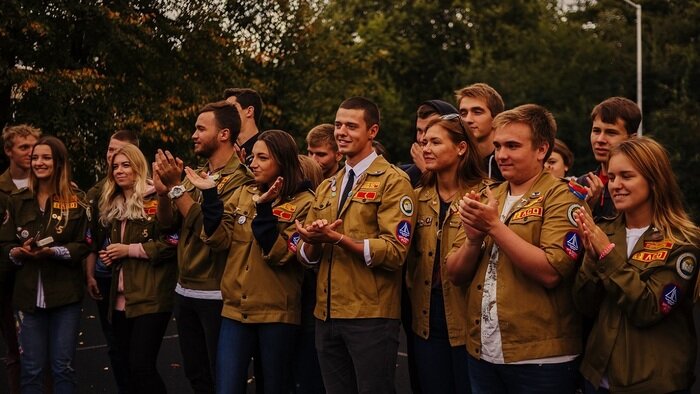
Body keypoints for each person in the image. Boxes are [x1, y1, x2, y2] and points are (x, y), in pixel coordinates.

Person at [446, 104, 585, 393]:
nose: (501, 155)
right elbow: (455, 274)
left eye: (512, 145)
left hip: (541, 357)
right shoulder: (488, 195)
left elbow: (551, 272)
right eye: (497, 146)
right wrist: (473, 240)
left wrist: (494, 227)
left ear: (541, 149)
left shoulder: (562, 197)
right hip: (484, 352)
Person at [296, 97, 416, 394]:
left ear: (372, 131)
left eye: (351, 125)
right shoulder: (328, 185)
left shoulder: (394, 181)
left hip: (370, 317)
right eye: (338, 124)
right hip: (326, 314)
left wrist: (340, 240)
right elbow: (305, 254)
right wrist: (310, 242)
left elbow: (395, 251)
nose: (342, 132)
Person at [188, 129, 314, 394]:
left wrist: (265, 209)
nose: (253, 163)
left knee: (274, 387)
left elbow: (281, 255)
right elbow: (219, 239)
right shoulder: (244, 193)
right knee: (227, 387)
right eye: (253, 157)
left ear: (282, 161)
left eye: (263, 158)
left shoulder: (305, 203)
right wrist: (211, 197)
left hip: (276, 313)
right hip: (236, 310)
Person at [572, 137, 699, 393]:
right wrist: (590, 259)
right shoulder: (604, 230)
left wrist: (607, 255)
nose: (616, 185)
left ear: (654, 181)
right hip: (597, 379)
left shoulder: (682, 241)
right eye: (613, 177)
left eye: (627, 176)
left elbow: (648, 308)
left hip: (653, 383)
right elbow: (584, 305)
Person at [155, 100, 253, 394]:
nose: (193, 135)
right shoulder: (192, 174)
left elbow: (213, 233)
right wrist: (163, 194)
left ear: (224, 134)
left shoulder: (243, 181)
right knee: (196, 376)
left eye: (200, 129)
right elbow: (167, 225)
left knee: (222, 379)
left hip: (217, 292)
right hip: (185, 290)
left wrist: (177, 189)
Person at [0, 135, 90, 393]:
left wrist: (55, 251)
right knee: (31, 369)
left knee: (63, 367)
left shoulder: (76, 199)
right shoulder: (17, 200)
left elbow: (84, 243)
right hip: (27, 298)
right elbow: (4, 245)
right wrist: (18, 252)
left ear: (59, 162)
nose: (38, 162)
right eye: (35, 157)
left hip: (65, 297)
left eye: (45, 157)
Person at [406, 114, 486, 393]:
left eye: (435, 142)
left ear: (461, 147)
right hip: (425, 321)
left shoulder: (486, 196)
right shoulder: (416, 197)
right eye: (424, 141)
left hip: (470, 322)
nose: (426, 148)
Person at [98, 143, 178, 394]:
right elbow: (118, 246)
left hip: (150, 298)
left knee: (142, 367)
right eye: (115, 166)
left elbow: (171, 244)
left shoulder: (155, 198)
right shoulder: (112, 202)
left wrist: (128, 250)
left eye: (126, 165)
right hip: (119, 299)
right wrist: (111, 255)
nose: (119, 171)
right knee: (126, 368)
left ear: (138, 167)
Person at [85, 129, 139, 393]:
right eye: (109, 151)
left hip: (137, 279)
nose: (112, 157)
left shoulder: (149, 193)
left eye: (120, 153)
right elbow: (92, 238)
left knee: (139, 354)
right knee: (115, 347)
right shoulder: (97, 193)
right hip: (106, 277)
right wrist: (90, 274)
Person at [0, 124, 40, 394]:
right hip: (7, 283)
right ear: (8, 150)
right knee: (16, 352)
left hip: (43, 278)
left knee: (45, 356)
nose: (30, 153)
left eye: (34, 148)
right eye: (24, 147)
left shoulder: (49, 182)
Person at [577, 97, 641, 220]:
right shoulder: (582, 185)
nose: (600, 140)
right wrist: (587, 206)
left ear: (632, 139)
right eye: (596, 131)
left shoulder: (642, 184)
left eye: (611, 133)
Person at [454, 82, 505, 181]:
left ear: (496, 118)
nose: (468, 119)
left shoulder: (506, 162)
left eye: (477, 112)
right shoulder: (454, 162)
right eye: (463, 113)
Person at [402, 100, 459, 188]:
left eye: (429, 129)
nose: (422, 139)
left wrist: (426, 171)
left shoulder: (477, 179)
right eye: (419, 131)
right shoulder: (404, 176)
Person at [224, 88, 264, 166]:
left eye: (231, 108)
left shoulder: (269, 148)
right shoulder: (225, 151)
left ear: (249, 111)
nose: (224, 114)